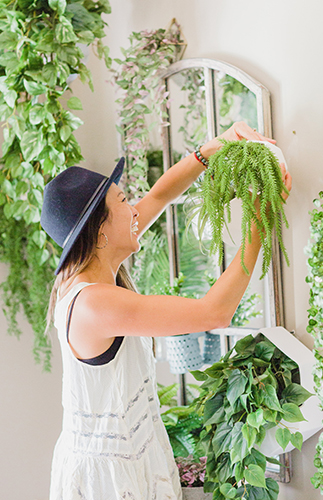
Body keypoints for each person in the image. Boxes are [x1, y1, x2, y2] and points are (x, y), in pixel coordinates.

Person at [41, 121, 292, 500]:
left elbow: (159, 195)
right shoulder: (95, 303)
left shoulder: (90, 272)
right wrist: (258, 221)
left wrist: (213, 148)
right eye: (124, 202)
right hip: (110, 479)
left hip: (128, 456)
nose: (135, 210)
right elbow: (215, 313)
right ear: (101, 231)